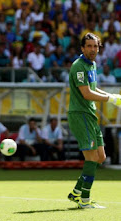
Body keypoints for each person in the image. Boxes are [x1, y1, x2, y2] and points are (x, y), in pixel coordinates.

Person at [67, 33, 121, 209]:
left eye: (95, 46)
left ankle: (76, 192)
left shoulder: (92, 65)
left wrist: (110, 95)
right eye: (89, 46)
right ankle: (84, 200)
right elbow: (86, 93)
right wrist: (111, 100)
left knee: (101, 157)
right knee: (92, 157)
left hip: (89, 114)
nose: (92, 49)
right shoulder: (79, 66)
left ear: (99, 48)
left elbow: (93, 88)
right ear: (82, 48)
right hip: (80, 114)